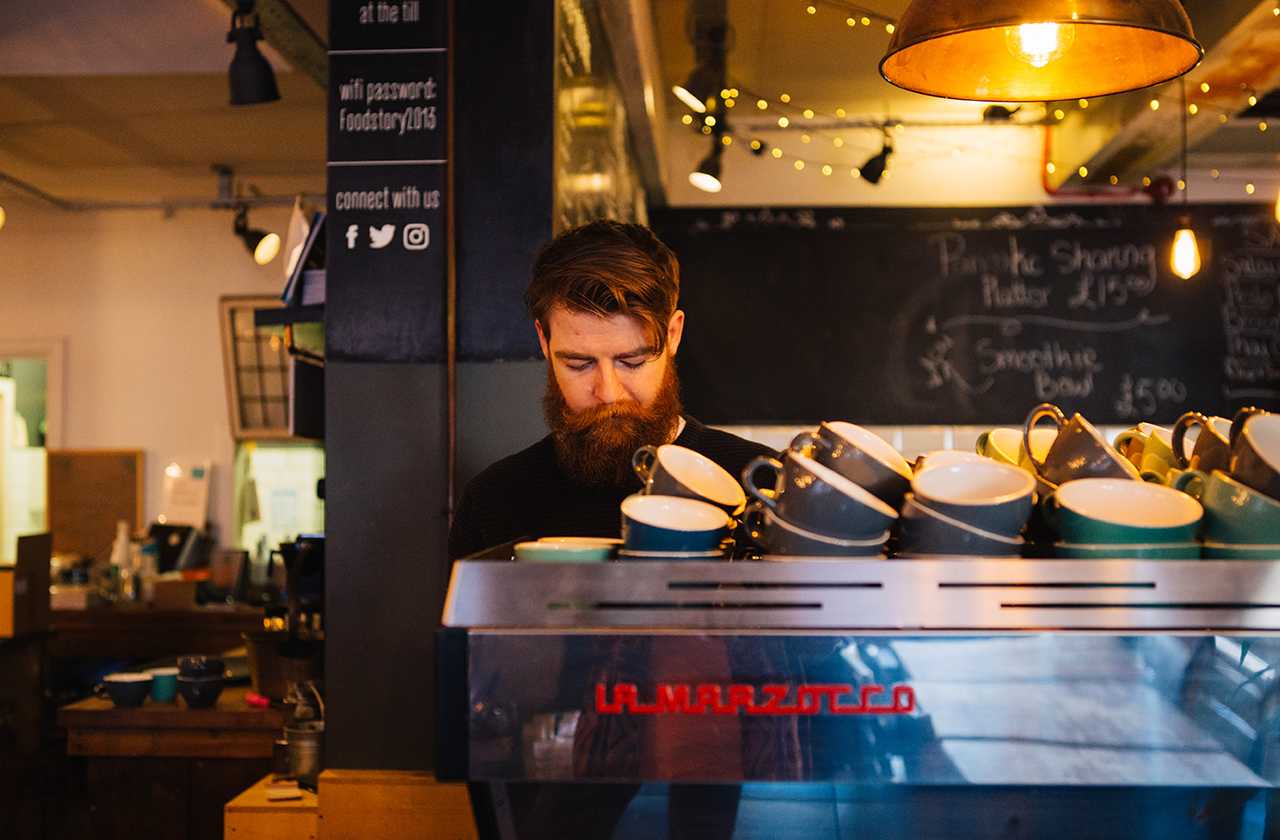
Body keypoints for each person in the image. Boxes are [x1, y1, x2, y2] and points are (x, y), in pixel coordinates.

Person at [449, 220, 792, 839]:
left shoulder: (757, 482)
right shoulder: (497, 500)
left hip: (728, 783)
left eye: (633, 360)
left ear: (675, 334)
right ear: (541, 341)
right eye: (578, 362)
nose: (608, 391)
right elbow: (478, 690)